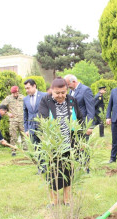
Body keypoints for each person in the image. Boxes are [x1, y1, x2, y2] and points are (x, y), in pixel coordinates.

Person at [38, 77, 83, 206]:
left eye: (63, 92)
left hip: (69, 143)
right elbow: (43, 120)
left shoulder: (71, 100)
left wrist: (79, 140)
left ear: (66, 90)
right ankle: (54, 200)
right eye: (57, 93)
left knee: (68, 171)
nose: (60, 95)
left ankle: (67, 200)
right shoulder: (45, 101)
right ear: (51, 91)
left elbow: (79, 119)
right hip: (53, 143)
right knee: (53, 171)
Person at [0, 86, 25, 156]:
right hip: (13, 120)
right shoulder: (8, 98)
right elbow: (1, 107)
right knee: (13, 136)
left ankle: (26, 150)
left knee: (24, 136)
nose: (14, 94)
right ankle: (13, 150)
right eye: (13, 93)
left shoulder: (23, 98)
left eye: (16, 93)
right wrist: (7, 113)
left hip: (22, 119)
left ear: (18, 91)